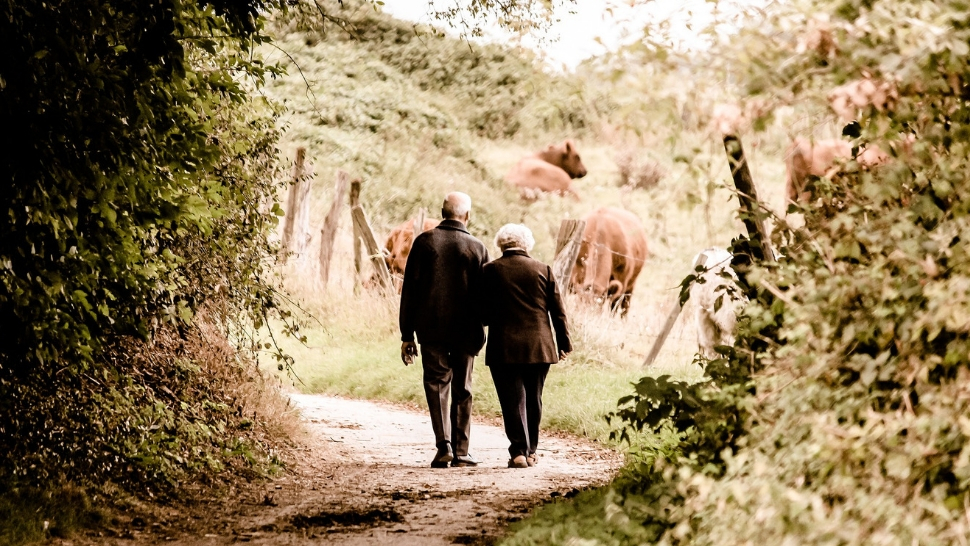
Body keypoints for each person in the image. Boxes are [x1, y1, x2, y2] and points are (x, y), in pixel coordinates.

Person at [399, 192, 489, 468]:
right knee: (463, 387)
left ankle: (444, 446)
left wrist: (407, 335)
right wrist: (483, 324)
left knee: (437, 384)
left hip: (431, 328)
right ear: (467, 216)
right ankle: (462, 451)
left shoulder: (425, 242)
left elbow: (409, 292)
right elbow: (485, 294)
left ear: (442, 212)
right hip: (467, 330)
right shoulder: (477, 247)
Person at [481, 223, 572, 468]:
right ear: (527, 244)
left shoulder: (489, 271)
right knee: (534, 398)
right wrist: (563, 343)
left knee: (512, 400)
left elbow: (482, 312)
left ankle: (518, 452)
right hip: (540, 346)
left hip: (504, 346)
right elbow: (558, 312)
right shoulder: (543, 270)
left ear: (501, 244)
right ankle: (531, 450)